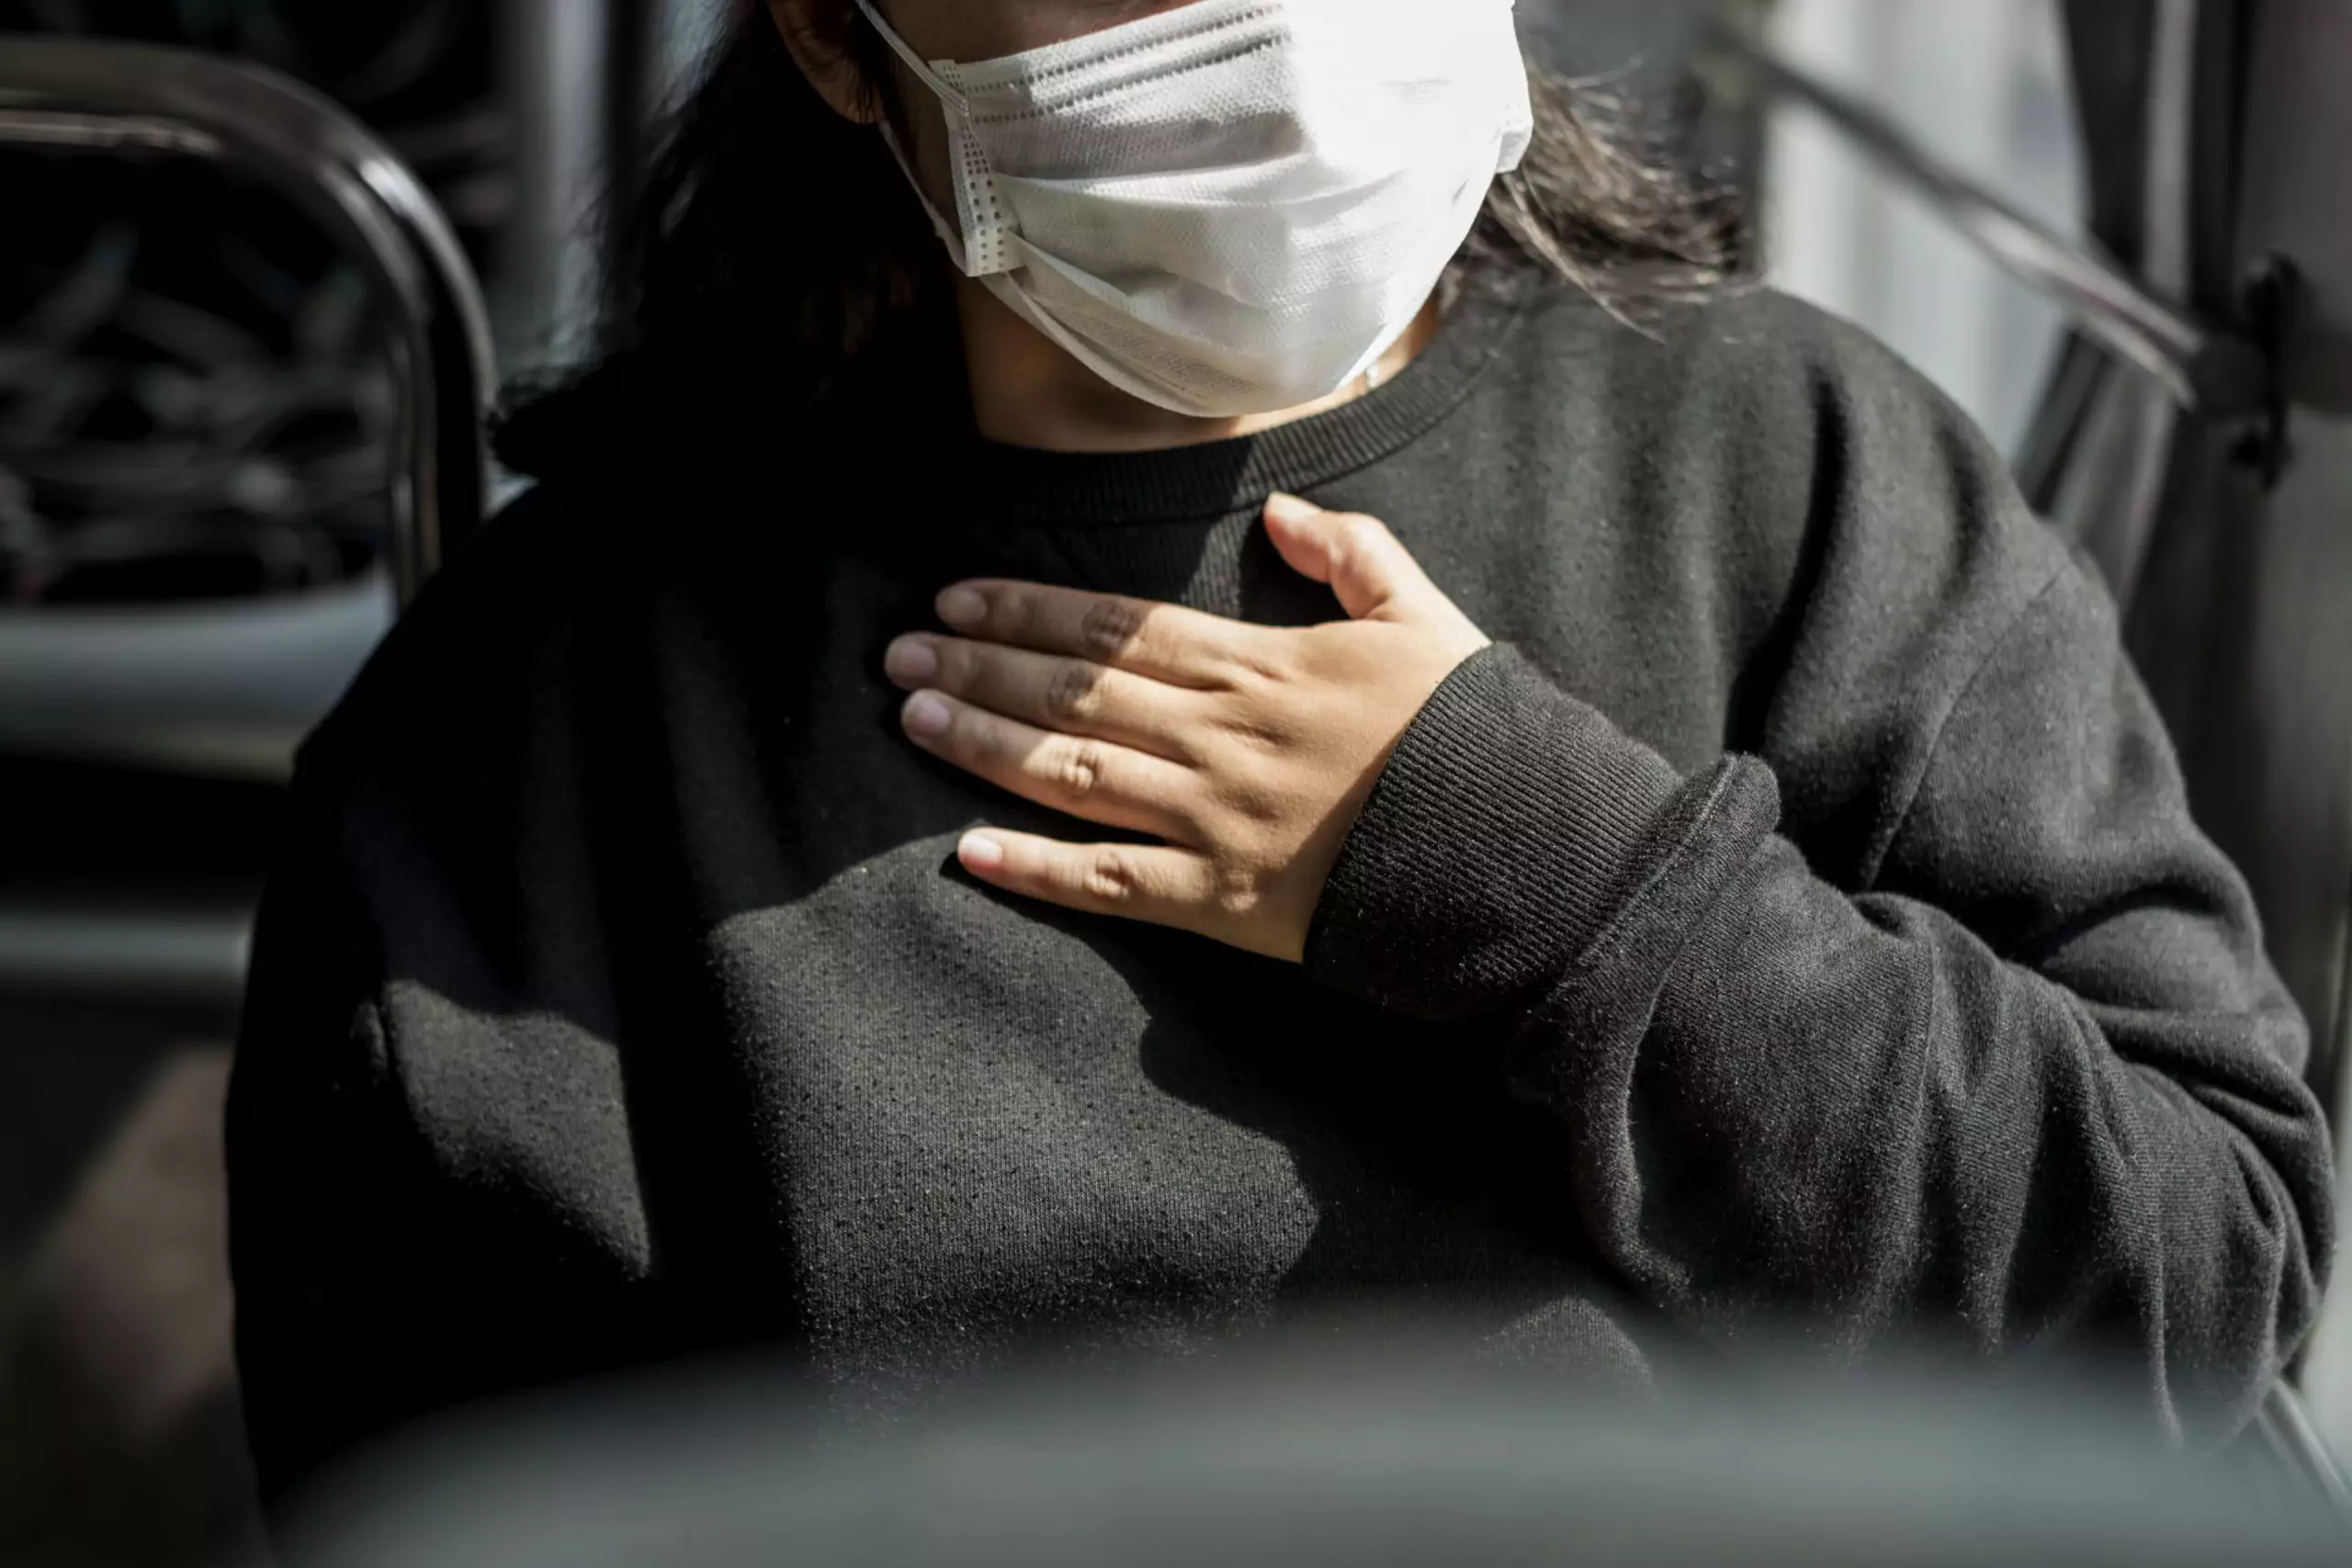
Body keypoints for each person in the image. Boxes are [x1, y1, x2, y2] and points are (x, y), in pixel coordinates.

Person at [227, 0, 2335, 1509]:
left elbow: (2189, 1298)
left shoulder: (1790, 478)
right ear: (832, 40)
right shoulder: (531, 740)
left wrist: (1551, 874)